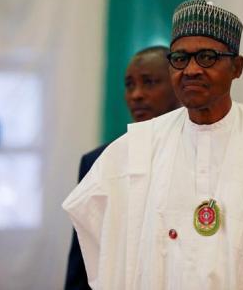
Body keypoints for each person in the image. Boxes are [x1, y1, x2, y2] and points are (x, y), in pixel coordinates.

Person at [63, 0, 243, 289]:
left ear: (237, 67)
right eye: (180, 59)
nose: (191, 70)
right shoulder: (134, 149)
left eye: (207, 57)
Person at [64, 45, 180, 290]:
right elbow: (83, 258)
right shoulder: (99, 161)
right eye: (129, 85)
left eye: (149, 82)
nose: (136, 94)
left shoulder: (198, 154)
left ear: (178, 86)